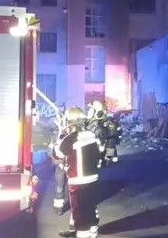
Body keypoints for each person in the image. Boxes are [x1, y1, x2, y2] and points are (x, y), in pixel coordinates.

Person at [52, 107, 101, 238]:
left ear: (70, 122)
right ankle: (92, 231)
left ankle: (82, 234)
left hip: (78, 181)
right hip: (93, 179)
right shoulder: (91, 134)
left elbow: (57, 154)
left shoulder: (70, 139)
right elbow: (99, 152)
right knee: (90, 207)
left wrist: (61, 135)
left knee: (79, 210)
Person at [51, 115, 70, 215]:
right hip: (64, 167)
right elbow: (55, 154)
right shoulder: (64, 137)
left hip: (63, 167)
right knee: (61, 188)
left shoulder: (62, 137)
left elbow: (54, 154)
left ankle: (59, 208)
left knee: (60, 188)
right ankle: (59, 208)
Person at [86, 100, 109, 167]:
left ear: (98, 113)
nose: (87, 111)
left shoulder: (98, 130)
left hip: (94, 164)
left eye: (90, 110)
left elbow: (98, 149)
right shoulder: (90, 126)